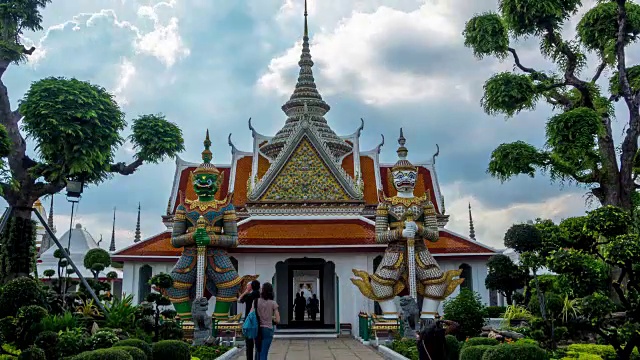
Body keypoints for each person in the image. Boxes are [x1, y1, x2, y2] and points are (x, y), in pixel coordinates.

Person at [255, 282, 280, 360]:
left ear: (262, 290)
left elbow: (251, 315)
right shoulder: (273, 303)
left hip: (257, 329)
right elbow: (278, 320)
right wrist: (271, 317)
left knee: (258, 351)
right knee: (264, 352)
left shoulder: (256, 301)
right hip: (268, 329)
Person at [239, 280, 260, 360]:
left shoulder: (250, 295)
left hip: (249, 321)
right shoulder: (260, 295)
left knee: (249, 343)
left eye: (248, 286)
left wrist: (246, 292)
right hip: (259, 320)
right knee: (258, 343)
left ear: (251, 287)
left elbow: (240, 300)